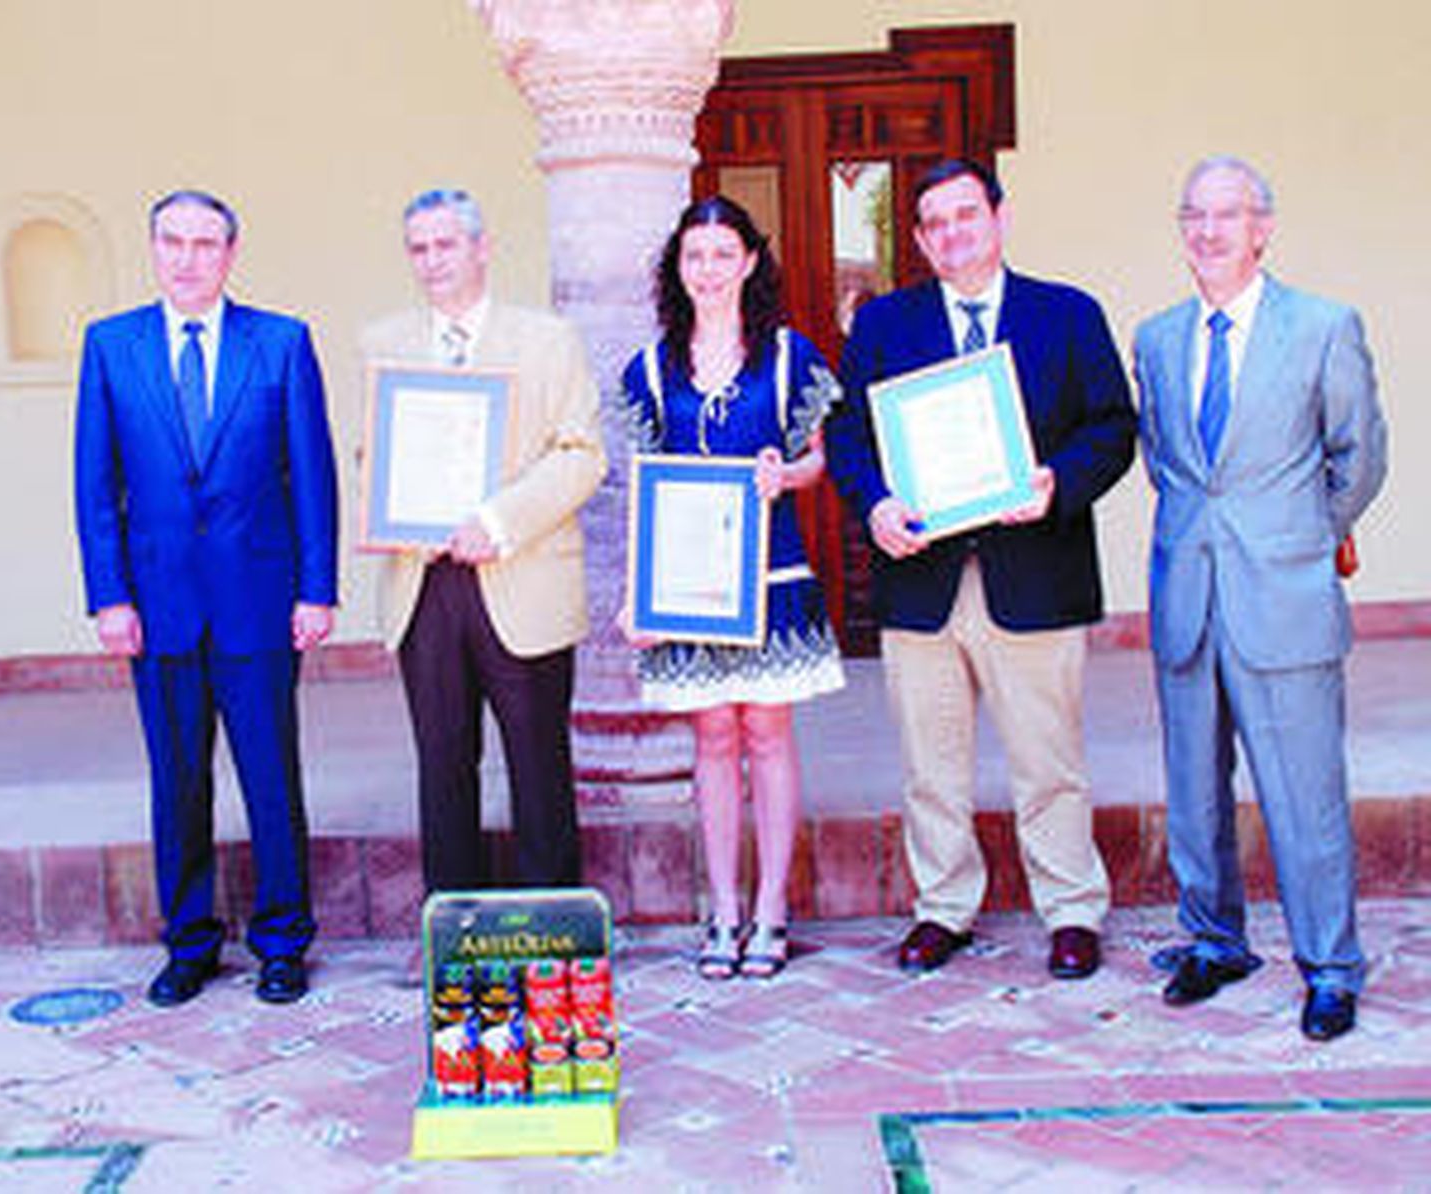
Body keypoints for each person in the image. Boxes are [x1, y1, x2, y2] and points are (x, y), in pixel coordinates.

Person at [827, 158, 1135, 981]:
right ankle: (944, 909)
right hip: (922, 582)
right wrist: (877, 505)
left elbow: (1112, 427)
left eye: (968, 214)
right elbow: (849, 437)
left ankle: (1071, 909)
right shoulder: (885, 326)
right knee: (931, 763)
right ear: (921, 241)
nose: (954, 232)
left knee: (1050, 760)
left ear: (997, 218)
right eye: (935, 222)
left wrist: (1056, 484)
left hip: (1035, 572)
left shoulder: (1067, 314)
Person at [1134, 156, 1388, 1041]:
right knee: (1194, 791)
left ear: (1263, 226)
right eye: (1194, 215)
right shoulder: (1158, 339)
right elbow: (1169, 461)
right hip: (1187, 594)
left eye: (1228, 215)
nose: (1209, 232)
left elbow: (1359, 457)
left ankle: (1330, 966)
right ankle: (1213, 941)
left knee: (1303, 795)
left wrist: (1301, 541)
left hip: (1284, 597)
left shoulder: (1322, 327)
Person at [74, 190, 339, 1007]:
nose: (188, 258)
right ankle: (189, 944)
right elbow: (95, 485)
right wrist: (109, 597)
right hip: (157, 609)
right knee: (177, 781)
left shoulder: (282, 343)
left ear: (231, 254)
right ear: (153, 249)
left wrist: (317, 589)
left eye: (205, 244)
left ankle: (283, 943)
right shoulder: (111, 346)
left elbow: (313, 476)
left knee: (271, 779)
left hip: (259, 603)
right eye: (172, 242)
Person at [619, 196, 845, 980]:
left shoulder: (790, 358)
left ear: (750, 261)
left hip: (772, 579)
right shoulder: (649, 370)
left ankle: (773, 909)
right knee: (711, 738)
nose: (708, 270)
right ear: (676, 269)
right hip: (688, 591)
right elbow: (644, 491)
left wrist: (789, 473)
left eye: (722, 254)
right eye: (694, 256)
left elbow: (821, 458)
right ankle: (722, 910)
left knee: (768, 735)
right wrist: (634, 596)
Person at [359, 188, 606, 896]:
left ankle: (552, 925)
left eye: (446, 244)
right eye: (418, 247)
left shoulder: (546, 339)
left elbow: (581, 454)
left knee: (537, 764)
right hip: (423, 581)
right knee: (442, 764)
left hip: (519, 572)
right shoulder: (383, 342)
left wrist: (496, 522)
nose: (432, 260)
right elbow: (369, 454)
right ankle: (456, 926)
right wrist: (391, 507)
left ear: (481, 246)